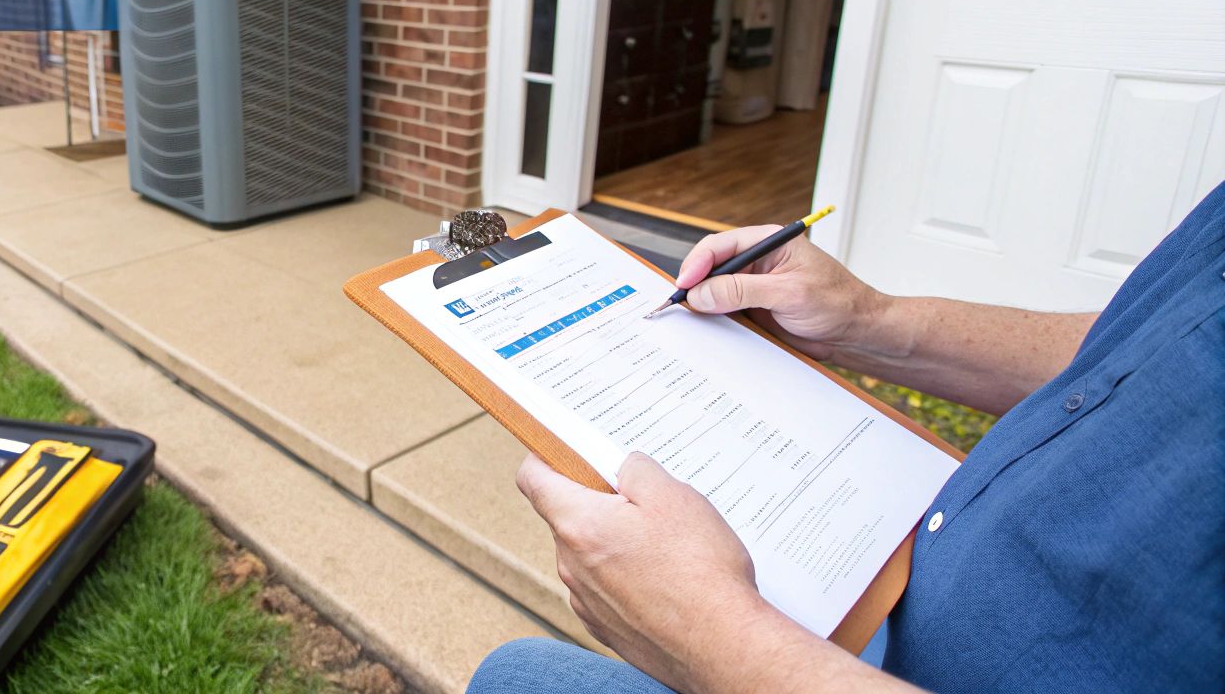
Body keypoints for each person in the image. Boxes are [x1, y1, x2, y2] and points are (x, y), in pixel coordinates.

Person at [469, 183, 1224, 694]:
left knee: (516, 678)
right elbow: (1142, 348)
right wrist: (869, 322)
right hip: (900, 604)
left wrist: (713, 639)